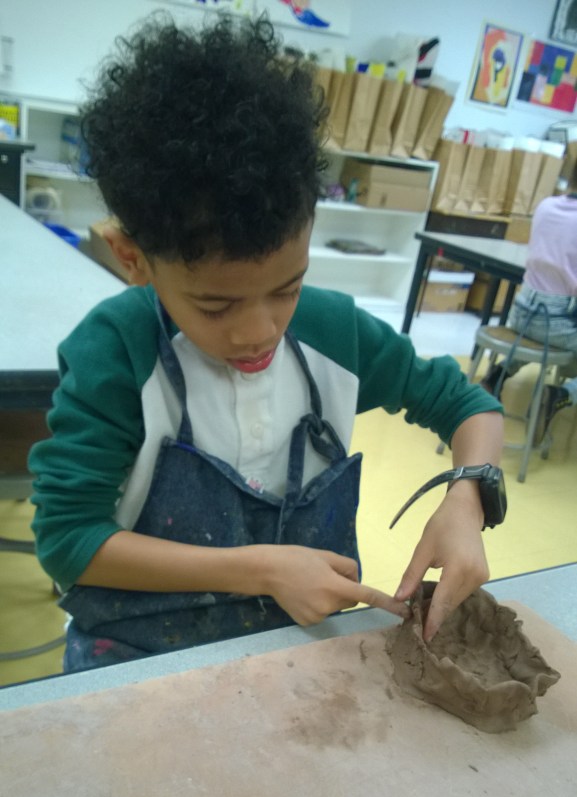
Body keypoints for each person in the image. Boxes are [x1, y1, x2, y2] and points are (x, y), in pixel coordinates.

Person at [28, 15, 504, 673]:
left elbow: (469, 406)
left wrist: (468, 496)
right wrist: (259, 570)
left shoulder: (334, 333)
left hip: (293, 645)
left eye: (288, 287)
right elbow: (68, 540)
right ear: (131, 258)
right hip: (136, 651)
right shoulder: (117, 352)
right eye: (215, 305)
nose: (260, 332)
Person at [482, 167, 577, 443]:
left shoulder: (546, 206)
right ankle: (562, 394)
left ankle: (497, 376)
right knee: (555, 340)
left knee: (540, 340)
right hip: (558, 320)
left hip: (523, 312)